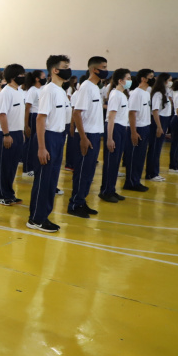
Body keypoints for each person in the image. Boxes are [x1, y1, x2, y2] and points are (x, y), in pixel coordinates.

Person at [27, 55, 71, 232]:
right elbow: (40, 118)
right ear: (55, 70)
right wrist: (42, 147)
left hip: (59, 137)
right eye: (65, 66)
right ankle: (35, 218)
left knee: (52, 180)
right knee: (44, 179)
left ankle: (44, 215)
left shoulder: (61, 91)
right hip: (49, 137)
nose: (68, 69)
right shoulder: (48, 90)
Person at [67, 56, 108, 218]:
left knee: (89, 172)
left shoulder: (95, 87)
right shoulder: (86, 87)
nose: (106, 70)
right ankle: (74, 204)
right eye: (103, 67)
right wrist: (83, 137)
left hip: (95, 134)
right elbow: (77, 113)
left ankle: (81, 201)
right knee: (82, 171)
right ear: (94, 70)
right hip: (87, 135)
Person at [0, 64, 26, 206]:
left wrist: (22, 132)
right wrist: (6, 134)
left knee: (12, 166)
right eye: (21, 75)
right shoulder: (6, 92)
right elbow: (2, 114)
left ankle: (9, 193)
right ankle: (0, 195)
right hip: (7, 133)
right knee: (4, 166)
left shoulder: (19, 91)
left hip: (17, 133)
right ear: (13, 77)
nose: (23, 77)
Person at [99, 69, 132, 203]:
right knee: (110, 162)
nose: (130, 81)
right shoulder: (115, 95)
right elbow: (111, 117)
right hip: (114, 129)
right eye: (128, 78)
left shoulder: (123, 94)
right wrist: (110, 138)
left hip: (122, 128)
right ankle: (105, 191)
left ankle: (111, 189)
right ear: (120, 80)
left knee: (116, 161)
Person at [124, 69, 154, 192]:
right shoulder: (137, 93)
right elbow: (132, 113)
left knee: (141, 157)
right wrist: (133, 132)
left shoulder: (146, 93)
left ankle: (136, 180)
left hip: (146, 126)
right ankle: (130, 182)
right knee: (134, 157)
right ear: (143, 78)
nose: (153, 79)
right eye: (151, 76)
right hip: (138, 128)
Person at [145, 73, 173, 182]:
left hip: (164, 120)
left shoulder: (166, 92)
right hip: (158, 121)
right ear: (165, 81)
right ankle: (151, 174)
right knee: (154, 148)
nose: (171, 82)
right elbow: (155, 110)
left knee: (158, 149)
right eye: (170, 80)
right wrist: (159, 126)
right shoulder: (158, 94)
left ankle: (155, 172)